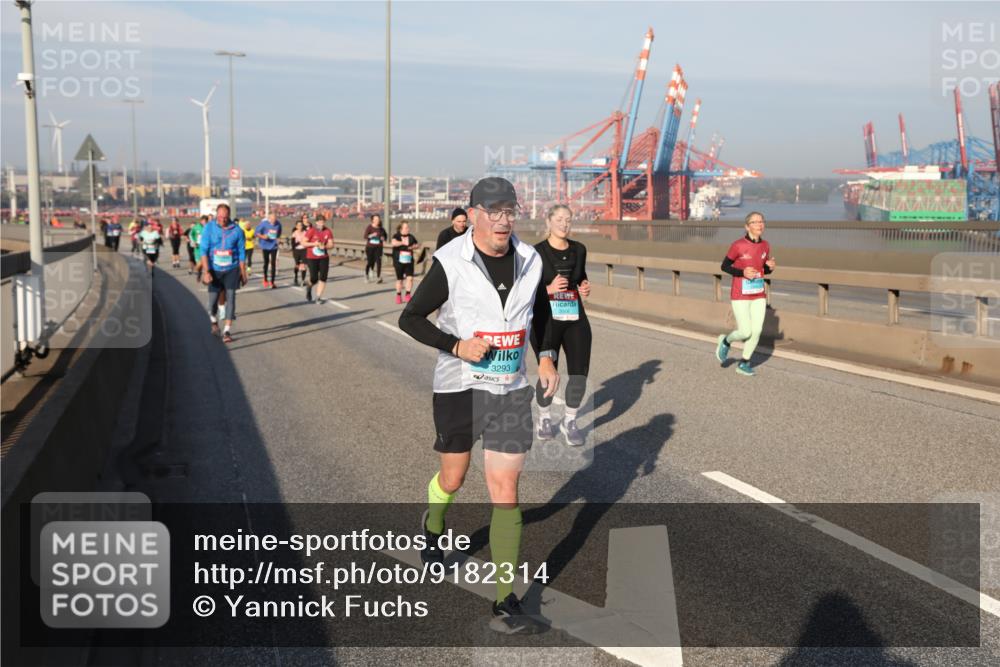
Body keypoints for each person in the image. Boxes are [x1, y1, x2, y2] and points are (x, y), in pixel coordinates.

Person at [398, 177, 559, 635]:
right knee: (454, 476)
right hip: (460, 386)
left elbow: (543, 313)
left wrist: (546, 356)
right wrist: (455, 344)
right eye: (494, 211)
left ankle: (505, 597)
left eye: (510, 210)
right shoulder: (451, 262)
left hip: (510, 388)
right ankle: (433, 524)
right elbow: (409, 318)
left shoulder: (531, 260)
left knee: (505, 489)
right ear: (474, 215)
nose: (504, 219)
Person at [531, 205, 592, 446]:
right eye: (559, 219)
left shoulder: (580, 249)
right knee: (549, 374)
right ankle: (544, 418)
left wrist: (584, 287)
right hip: (546, 320)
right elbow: (524, 292)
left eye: (568, 220)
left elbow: (580, 278)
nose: (564, 224)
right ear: (548, 222)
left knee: (579, 374)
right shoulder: (535, 253)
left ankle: (570, 420)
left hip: (574, 316)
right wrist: (547, 290)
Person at [715, 211, 776, 376]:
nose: (759, 225)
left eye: (761, 221)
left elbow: (763, 270)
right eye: (755, 222)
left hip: (758, 294)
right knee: (745, 331)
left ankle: (744, 362)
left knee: (756, 331)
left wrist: (769, 266)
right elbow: (724, 266)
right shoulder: (738, 245)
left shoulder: (766, 245)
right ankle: (726, 341)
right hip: (740, 294)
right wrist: (742, 272)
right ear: (747, 226)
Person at [199, 203, 247, 343]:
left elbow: (242, 253)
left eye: (225, 217)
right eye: (220, 217)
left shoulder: (237, 231)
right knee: (212, 302)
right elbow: (203, 251)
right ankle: (214, 321)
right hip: (214, 268)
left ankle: (227, 331)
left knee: (231, 298)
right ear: (216, 215)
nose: (222, 220)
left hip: (231, 269)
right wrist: (206, 271)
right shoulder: (209, 228)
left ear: (229, 216)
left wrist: (243, 273)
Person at [302, 213, 333, 303]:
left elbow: (331, 244)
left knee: (323, 277)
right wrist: (314, 244)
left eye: (323, 222)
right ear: (316, 222)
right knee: (314, 278)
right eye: (319, 222)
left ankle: (318, 297)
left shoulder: (328, 231)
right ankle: (309, 286)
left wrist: (325, 246)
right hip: (312, 257)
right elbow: (303, 243)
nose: (321, 224)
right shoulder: (311, 231)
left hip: (324, 257)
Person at [390, 221, 421, 304]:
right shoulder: (396, 236)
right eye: (406, 227)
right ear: (401, 229)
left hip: (409, 260)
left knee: (410, 278)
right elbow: (393, 243)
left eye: (408, 227)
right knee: (400, 280)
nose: (408, 229)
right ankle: (398, 295)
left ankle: (408, 294)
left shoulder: (411, 236)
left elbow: (417, 244)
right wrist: (402, 242)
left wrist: (414, 246)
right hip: (398, 260)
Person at [255, 212, 282, 288]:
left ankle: (272, 282)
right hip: (265, 246)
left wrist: (278, 239)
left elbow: (279, 233)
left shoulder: (278, 224)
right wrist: (263, 236)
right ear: (269, 218)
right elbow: (256, 233)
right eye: (272, 219)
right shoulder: (264, 224)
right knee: (266, 263)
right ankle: (265, 279)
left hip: (274, 246)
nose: (274, 221)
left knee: (273, 263)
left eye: (275, 219)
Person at [363, 213, 388, 283]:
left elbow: (385, 236)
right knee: (370, 262)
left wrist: (383, 238)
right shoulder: (369, 227)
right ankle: (366, 274)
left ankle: (378, 277)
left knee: (379, 262)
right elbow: (365, 236)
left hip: (378, 247)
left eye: (378, 219)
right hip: (370, 247)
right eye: (376, 219)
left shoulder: (381, 229)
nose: (377, 221)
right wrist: (371, 235)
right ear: (372, 220)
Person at [290, 217, 308, 286]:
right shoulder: (294, 233)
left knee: (303, 265)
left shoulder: (305, 232)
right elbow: (293, 244)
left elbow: (307, 241)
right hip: (296, 251)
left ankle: (303, 280)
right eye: (298, 225)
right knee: (297, 265)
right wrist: (300, 242)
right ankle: (296, 276)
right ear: (296, 226)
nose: (300, 226)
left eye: (301, 225)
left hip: (304, 250)